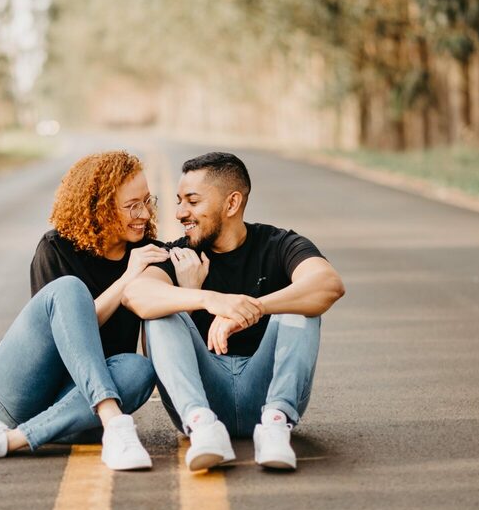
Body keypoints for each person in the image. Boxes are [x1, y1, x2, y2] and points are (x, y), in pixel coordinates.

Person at [0, 151, 169, 471]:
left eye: (147, 201)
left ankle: (6, 440)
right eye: (132, 206)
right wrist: (128, 279)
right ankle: (114, 422)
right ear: (99, 208)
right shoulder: (56, 248)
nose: (143, 213)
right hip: (23, 387)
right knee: (70, 290)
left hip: (75, 404)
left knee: (140, 370)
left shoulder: (147, 254)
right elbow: (66, 336)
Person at [123, 152, 345, 471]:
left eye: (193, 201)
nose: (180, 212)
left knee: (301, 305)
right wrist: (205, 299)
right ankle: (202, 427)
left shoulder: (279, 244)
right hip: (205, 395)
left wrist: (253, 308)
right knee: (160, 313)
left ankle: (275, 424)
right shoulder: (178, 255)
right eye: (179, 201)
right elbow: (137, 295)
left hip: (265, 391)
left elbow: (328, 284)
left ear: (231, 204)